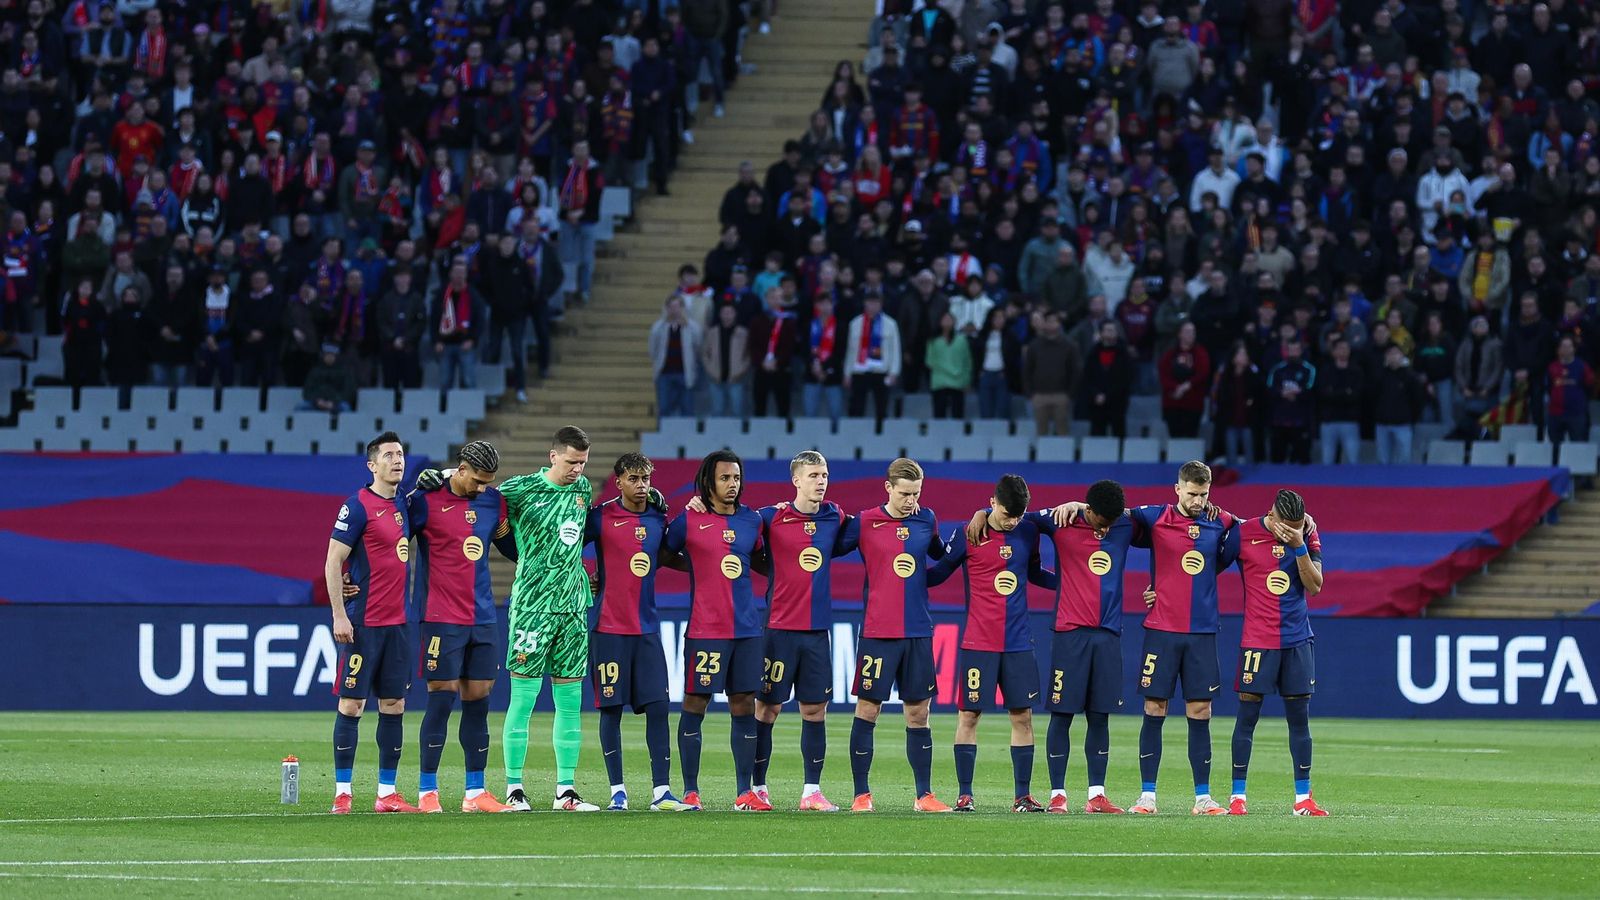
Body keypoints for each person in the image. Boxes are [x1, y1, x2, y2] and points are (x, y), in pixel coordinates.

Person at [421, 426, 601, 813]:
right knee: (523, 698)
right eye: (571, 462)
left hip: (572, 608)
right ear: (553, 456)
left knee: (570, 702)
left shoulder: (583, 491)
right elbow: (474, 491)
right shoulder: (519, 490)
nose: (577, 470)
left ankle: (565, 791)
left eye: (583, 464)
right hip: (532, 607)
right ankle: (515, 788)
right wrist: (440, 474)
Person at [688, 450, 858, 811]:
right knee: (766, 711)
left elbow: (876, 526)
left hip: (817, 633)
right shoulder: (769, 518)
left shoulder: (835, 517)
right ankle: (758, 787)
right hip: (777, 630)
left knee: (815, 712)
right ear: (796, 480)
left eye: (825, 474)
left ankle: (811, 791)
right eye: (813, 475)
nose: (821, 481)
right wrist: (698, 504)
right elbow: (731, 533)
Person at [928, 475, 1057, 813]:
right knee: (969, 715)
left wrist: (1071, 581)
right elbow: (940, 572)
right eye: (1007, 514)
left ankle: (1022, 796)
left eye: (1019, 515)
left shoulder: (1028, 529)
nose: (1013, 521)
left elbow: (1035, 571)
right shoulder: (970, 532)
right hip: (978, 642)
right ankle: (965, 794)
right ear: (994, 502)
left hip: (1018, 642)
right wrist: (900, 576)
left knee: (1023, 717)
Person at [406, 441, 519, 814]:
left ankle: (475, 792)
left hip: (484, 616)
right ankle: (427, 791)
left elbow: (513, 549)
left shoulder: (493, 501)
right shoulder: (424, 500)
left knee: (479, 702)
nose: (482, 488)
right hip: (440, 616)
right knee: (441, 698)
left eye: (489, 482)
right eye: (478, 480)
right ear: (462, 468)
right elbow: (389, 537)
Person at [837, 458, 954, 813]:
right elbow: (825, 545)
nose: (911, 501)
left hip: (918, 631)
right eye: (904, 494)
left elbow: (941, 559)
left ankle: (924, 796)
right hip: (878, 632)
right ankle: (861, 794)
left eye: (916, 494)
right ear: (888, 488)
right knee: (868, 709)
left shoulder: (926, 520)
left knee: (919, 714)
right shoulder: (864, 522)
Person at [1129, 461, 1238, 815]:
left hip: (1202, 633)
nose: (1197, 500)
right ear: (1177, 489)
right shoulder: (1154, 518)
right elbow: (1109, 514)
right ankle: (1147, 796)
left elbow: (1255, 531)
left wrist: (1306, 524)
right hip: (1161, 631)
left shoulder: (1221, 522)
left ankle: (1203, 798)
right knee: (1153, 707)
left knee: (1200, 709)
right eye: (1191, 493)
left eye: (1203, 494)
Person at [585, 452, 692, 812]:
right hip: (608, 628)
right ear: (618, 482)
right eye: (634, 478)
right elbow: (565, 550)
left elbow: (666, 555)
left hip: (646, 629)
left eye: (646, 478)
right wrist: (585, 575)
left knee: (660, 708)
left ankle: (662, 791)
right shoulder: (600, 518)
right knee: (610, 710)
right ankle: (618, 791)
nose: (642, 485)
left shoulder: (658, 518)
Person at [663, 450, 769, 812]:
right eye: (725, 478)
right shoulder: (689, 520)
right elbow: (662, 553)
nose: (732, 485)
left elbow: (759, 558)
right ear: (708, 481)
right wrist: (695, 566)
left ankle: (744, 793)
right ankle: (691, 790)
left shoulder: (751, 521)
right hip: (706, 629)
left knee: (744, 705)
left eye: (736, 478)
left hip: (747, 630)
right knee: (696, 703)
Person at [324, 432, 418, 815]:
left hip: (398, 624)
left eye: (400, 454)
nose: (397, 460)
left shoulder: (406, 505)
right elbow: (333, 562)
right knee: (352, 704)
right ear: (372, 465)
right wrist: (339, 614)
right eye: (389, 455)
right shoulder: (357, 506)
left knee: (394, 704)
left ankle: (387, 793)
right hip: (363, 622)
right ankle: (343, 792)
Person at [1225, 489, 1329, 817]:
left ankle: (1303, 799)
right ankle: (1237, 797)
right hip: (1258, 642)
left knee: (1299, 722)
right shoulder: (1243, 533)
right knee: (1247, 720)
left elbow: (1315, 585)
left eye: (1298, 525)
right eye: (1288, 526)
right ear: (1272, 516)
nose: (1293, 530)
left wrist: (1299, 543)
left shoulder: (1307, 534)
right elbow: (1205, 567)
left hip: (1297, 641)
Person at [844, 292, 901, 420]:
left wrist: (894, 372)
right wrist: (847, 373)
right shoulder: (855, 323)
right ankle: (857, 435)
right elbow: (850, 351)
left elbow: (895, 350)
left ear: (881, 304)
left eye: (876, 303)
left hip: (881, 370)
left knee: (882, 407)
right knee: (857, 407)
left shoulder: (890, 324)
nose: (872, 306)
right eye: (870, 302)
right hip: (860, 369)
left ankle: (881, 435)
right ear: (864, 303)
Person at [650, 294, 701, 419]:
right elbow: (653, 348)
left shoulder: (692, 326)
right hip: (665, 372)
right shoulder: (659, 326)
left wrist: (687, 323)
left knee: (687, 408)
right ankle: (663, 435)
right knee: (664, 407)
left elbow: (698, 345)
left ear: (682, 308)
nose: (675, 310)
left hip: (685, 372)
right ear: (667, 308)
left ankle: (687, 436)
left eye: (677, 306)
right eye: (672, 307)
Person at [1546, 336, 1596, 444]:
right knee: (1554, 447)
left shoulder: (1582, 366)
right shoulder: (1552, 367)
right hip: (1555, 413)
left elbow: (1589, 385)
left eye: (1569, 346)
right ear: (1558, 349)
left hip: (1576, 413)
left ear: (1574, 349)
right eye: (1563, 346)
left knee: (1578, 445)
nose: (1566, 349)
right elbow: (1549, 388)